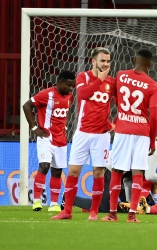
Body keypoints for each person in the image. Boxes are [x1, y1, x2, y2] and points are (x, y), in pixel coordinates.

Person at [51, 47, 115, 221]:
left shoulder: (112, 82)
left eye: (108, 61)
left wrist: (112, 122)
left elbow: (122, 102)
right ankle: (67, 211)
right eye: (102, 61)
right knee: (72, 172)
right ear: (94, 61)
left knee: (99, 172)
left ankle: (94, 212)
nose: (106, 64)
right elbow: (84, 94)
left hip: (101, 135)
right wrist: (100, 79)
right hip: (82, 133)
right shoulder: (83, 77)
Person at [101, 49, 157, 223]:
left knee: (117, 171)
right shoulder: (152, 85)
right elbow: (154, 116)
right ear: (150, 63)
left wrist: (121, 113)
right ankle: (132, 215)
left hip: (123, 129)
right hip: (141, 132)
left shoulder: (121, 75)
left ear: (135, 60)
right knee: (137, 173)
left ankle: (112, 214)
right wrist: (151, 140)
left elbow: (114, 97)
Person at [22, 70, 76, 212]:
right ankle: (37, 201)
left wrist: (64, 124)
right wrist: (34, 128)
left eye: (73, 87)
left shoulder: (70, 96)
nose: (71, 89)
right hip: (46, 137)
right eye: (69, 86)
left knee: (57, 171)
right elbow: (26, 106)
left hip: (61, 139)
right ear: (60, 82)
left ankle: (53, 204)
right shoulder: (46, 94)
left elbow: (69, 109)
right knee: (44, 166)